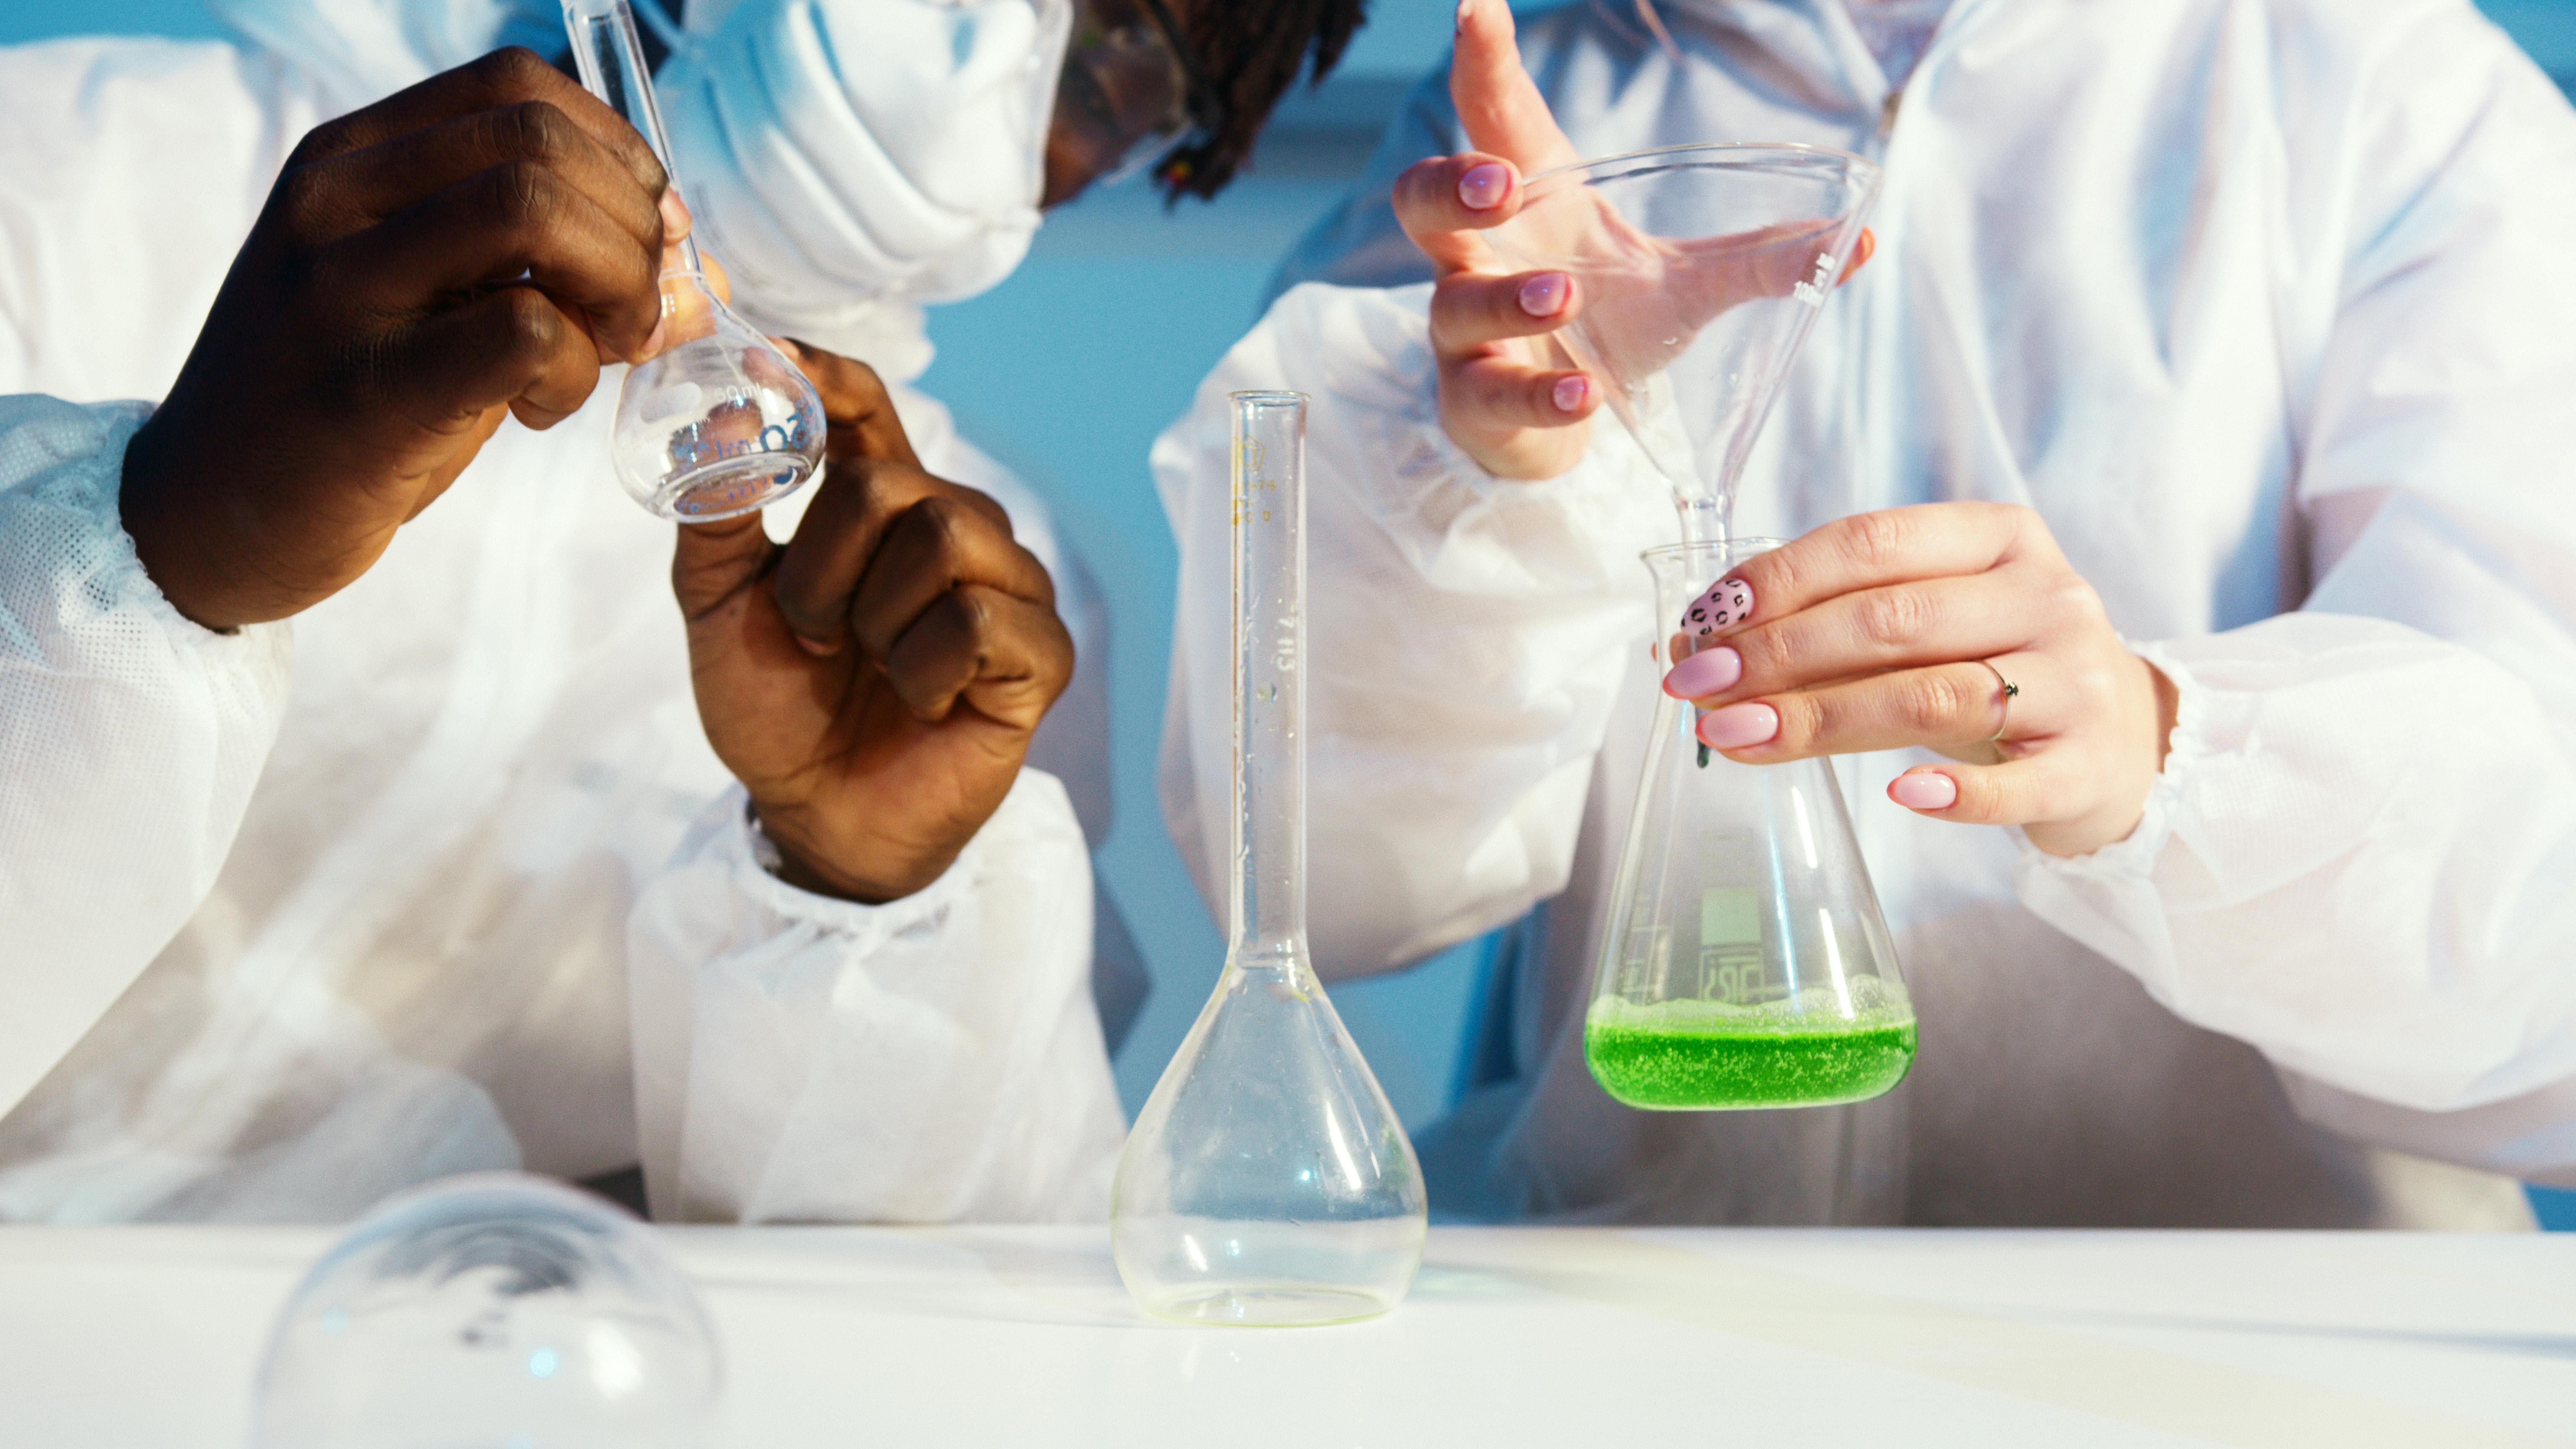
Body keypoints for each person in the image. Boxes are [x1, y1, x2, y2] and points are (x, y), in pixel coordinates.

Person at [1156, 0, 2576, 1227]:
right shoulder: (1549, 112)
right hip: (1655, 1312)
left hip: (2250, 1339)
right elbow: (1308, 871)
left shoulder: (2381, 94)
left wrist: (2159, 753)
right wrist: (1490, 478)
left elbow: (2541, 909)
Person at [0, 0, 1358, 1222]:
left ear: (1163, 158)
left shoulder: (938, 594)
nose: (982, 46)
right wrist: (162, 534)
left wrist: (852, 901)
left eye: (1124, 62)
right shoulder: (71, 163)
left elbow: (950, 1317)